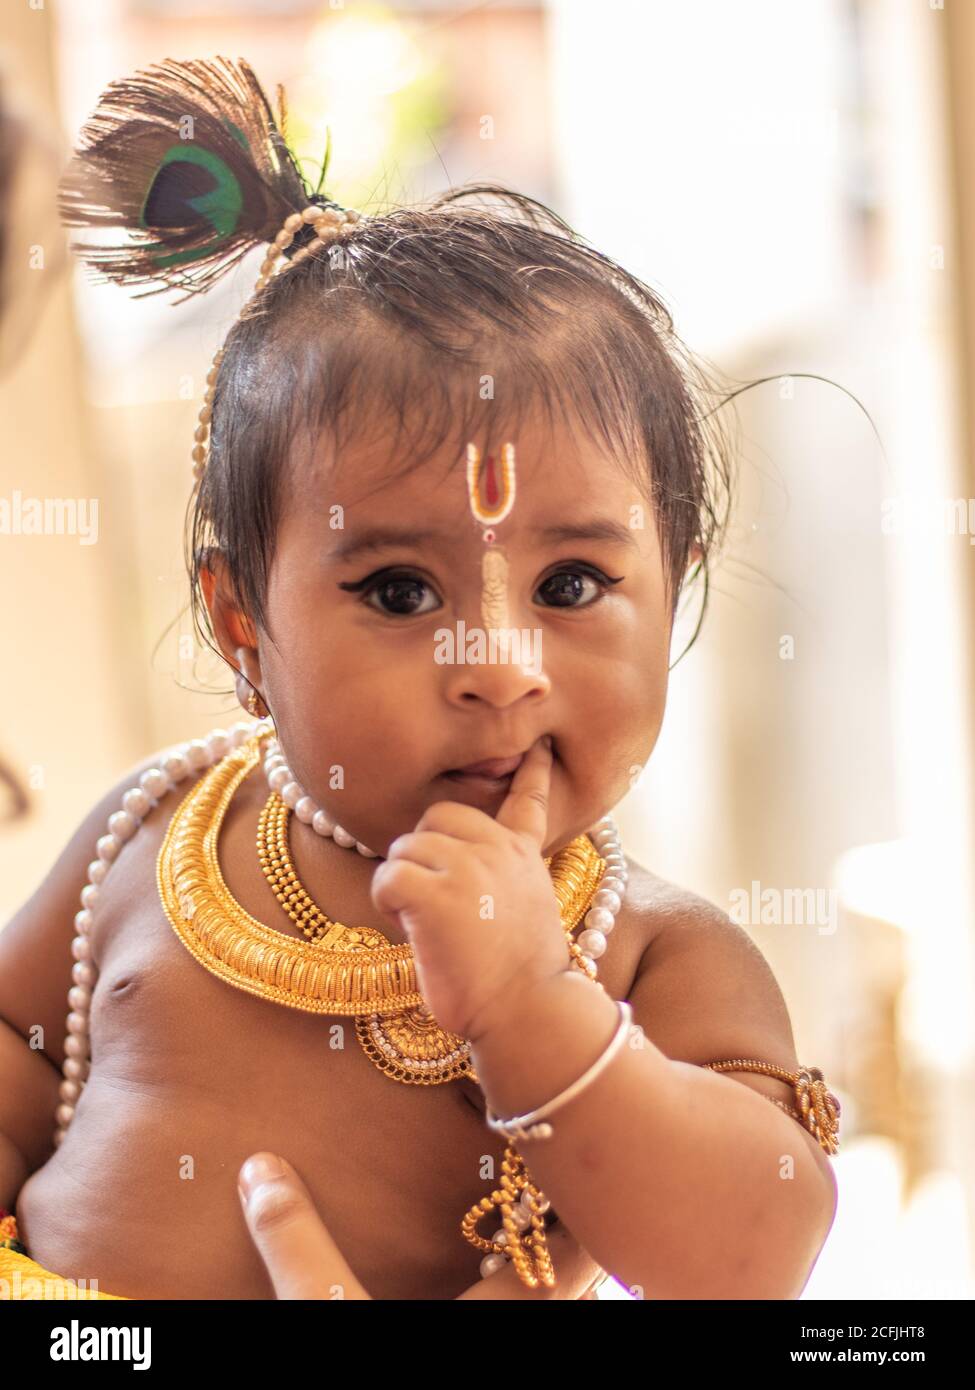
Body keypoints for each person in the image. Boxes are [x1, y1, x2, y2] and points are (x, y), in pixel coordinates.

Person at [0, 57, 839, 1301]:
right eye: (399, 591)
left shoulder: (653, 958)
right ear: (241, 621)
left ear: (677, 596)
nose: (494, 667)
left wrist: (529, 1005)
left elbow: (751, 1255)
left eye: (570, 586)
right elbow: (16, 1059)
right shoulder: (150, 832)